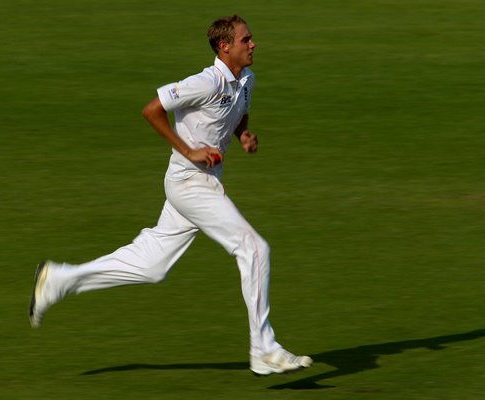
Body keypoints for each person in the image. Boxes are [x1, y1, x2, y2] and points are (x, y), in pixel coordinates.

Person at [28, 15, 311, 376]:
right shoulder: (205, 81)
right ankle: (264, 349)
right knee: (255, 248)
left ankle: (58, 280)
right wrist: (189, 150)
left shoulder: (246, 80)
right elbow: (153, 110)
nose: (253, 44)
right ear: (225, 47)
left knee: (152, 265)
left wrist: (243, 136)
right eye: (246, 40)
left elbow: (236, 113)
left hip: (205, 182)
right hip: (189, 182)